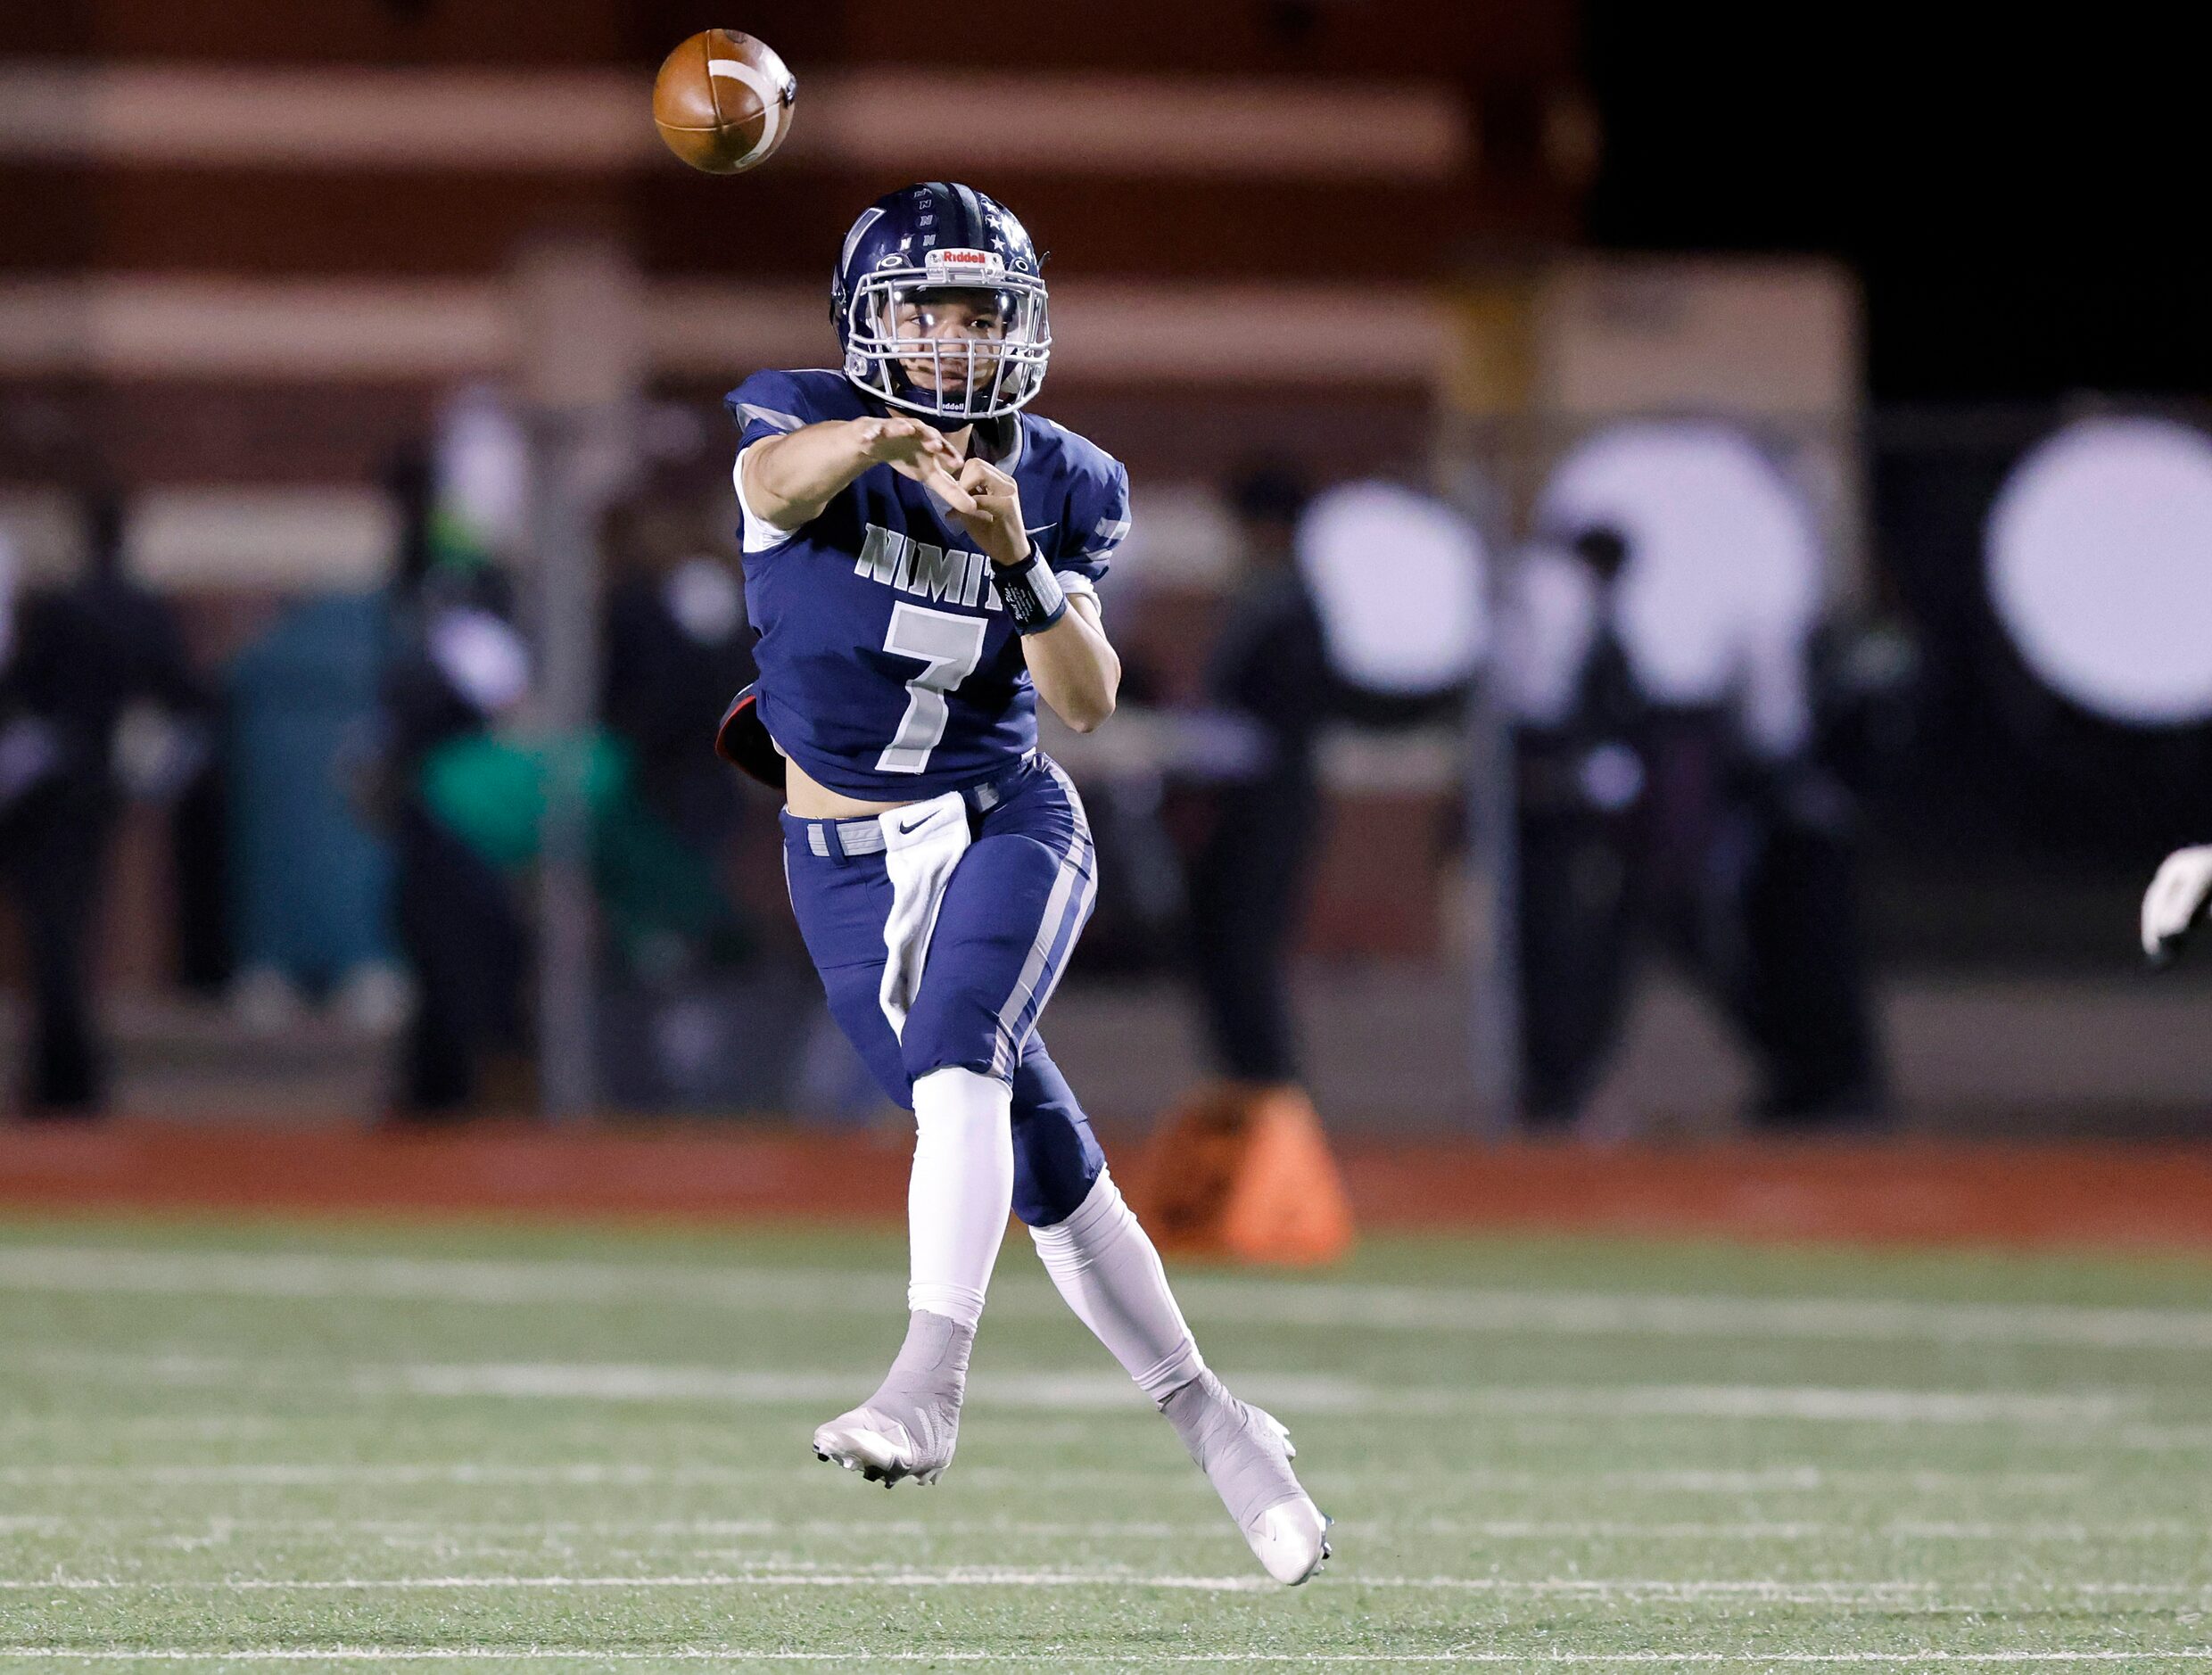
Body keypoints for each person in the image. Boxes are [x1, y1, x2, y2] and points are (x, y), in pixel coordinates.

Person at [715, 182, 1329, 1586]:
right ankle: (1221, 1427)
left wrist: (1014, 554)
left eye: (982, 309)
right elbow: (769, 488)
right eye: (927, 306)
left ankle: (928, 1379)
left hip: (1004, 818)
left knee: (955, 1063)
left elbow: (1090, 699)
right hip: (846, 867)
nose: (953, 335)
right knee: (1043, 1163)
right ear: (869, 322)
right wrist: (882, 437)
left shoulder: (1067, 480)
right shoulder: (798, 418)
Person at [1184, 465, 1332, 1084]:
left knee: (1245, 946)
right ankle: (1247, 1085)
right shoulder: (1258, 600)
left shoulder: (1288, 607)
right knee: (1219, 943)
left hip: (1271, 799)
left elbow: (1288, 710)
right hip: (1242, 797)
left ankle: (1270, 1090)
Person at [2142, 846, 2212, 961]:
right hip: (2182, 861)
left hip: (2187, 863)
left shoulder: (2167, 923)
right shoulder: (2154, 930)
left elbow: (2189, 899)